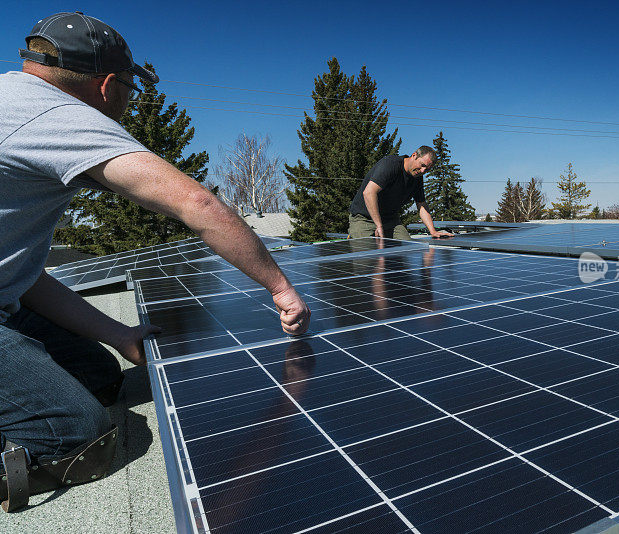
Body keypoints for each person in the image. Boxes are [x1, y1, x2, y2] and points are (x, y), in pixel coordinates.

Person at [0, 12, 310, 512]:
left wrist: (119, 335)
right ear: (106, 84)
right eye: (129, 87)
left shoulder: (10, 98)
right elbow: (198, 205)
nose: (127, 101)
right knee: (76, 438)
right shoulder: (55, 116)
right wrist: (280, 287)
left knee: (100, 377)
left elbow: (22, 274)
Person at [348, 147, 454, 240]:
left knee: (407, 249)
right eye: (422, 165)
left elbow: (421, 205)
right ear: (414, 155)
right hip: (364, 218)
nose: (422, 171)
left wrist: (433, 231)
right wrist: (379, 226)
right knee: (369, 257)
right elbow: (369, 192)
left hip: (390, 221)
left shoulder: (417, 177)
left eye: (427, 169)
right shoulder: (390, 165)